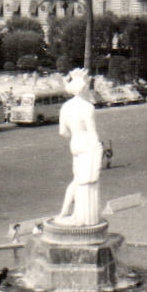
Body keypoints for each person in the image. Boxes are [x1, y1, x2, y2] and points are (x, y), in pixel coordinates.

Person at [56, 68, 105, 227]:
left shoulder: (65, 107)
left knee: (78, 179)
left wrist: (75, 133)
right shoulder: (87, 107)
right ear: (84, 88)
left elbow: (63, 132)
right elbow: (93, 132)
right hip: (87, 144)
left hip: (75, 144)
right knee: (87, 181)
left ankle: (65, 211)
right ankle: (83, 215)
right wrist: (98, 149)